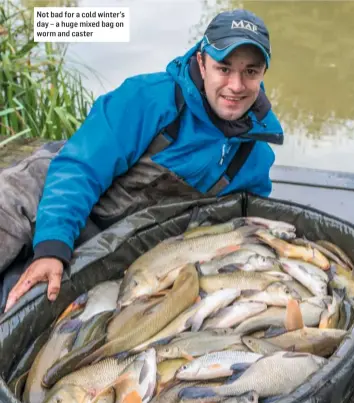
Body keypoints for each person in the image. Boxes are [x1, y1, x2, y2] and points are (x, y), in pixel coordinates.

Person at [4, 8, 283, 313]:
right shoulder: (148, 98)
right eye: (224, 68)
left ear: (263, 75)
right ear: (202, 64)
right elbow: (80, 169)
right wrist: (51, 247)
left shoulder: (255, 156)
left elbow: (233, 229)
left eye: (250, 72)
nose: (236, 85)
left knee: (28, 307)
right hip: (43, 194)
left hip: (111, 241)